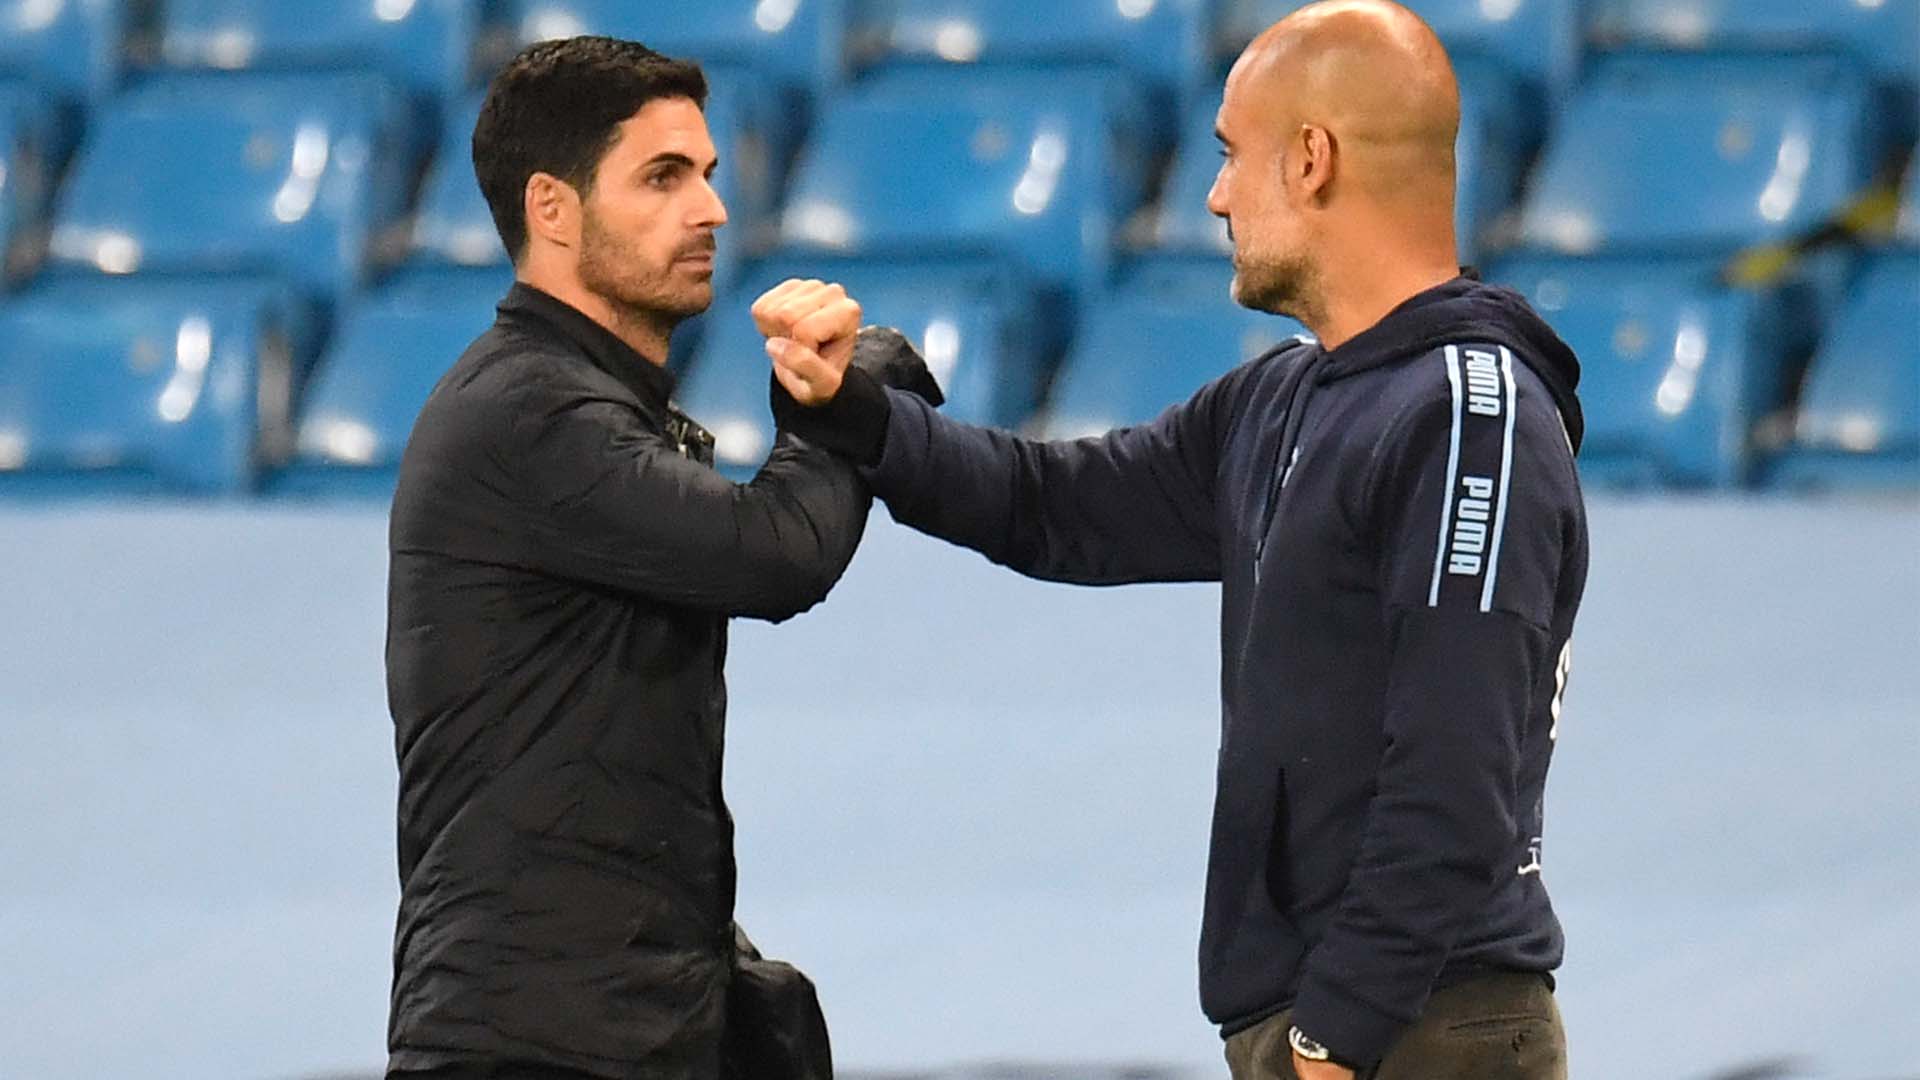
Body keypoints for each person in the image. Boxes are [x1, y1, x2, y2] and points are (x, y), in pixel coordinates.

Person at [767, 2, 1588, 1078]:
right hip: (1343, 1019)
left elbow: (1455, 771)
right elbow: (1054, 505)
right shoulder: (1283, 399)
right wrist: (858, 414)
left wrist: (1336, 1034)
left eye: (1232, 155)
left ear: (1312, 159)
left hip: (1414, 1025)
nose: (1214, 195)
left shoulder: (1470, 414)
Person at [384, 36, 933, 1080]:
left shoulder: (575, 404)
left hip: (621, 1022)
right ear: (553, 208)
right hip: (539, 1042)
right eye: (663, 177)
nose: (712, 209)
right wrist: (848, 401)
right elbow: (777, 554)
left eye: (708, 175)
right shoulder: (529, 410)